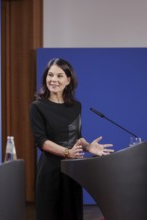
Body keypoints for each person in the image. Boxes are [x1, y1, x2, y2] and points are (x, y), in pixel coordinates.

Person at [29, 58, 114, 220]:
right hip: (50, 172)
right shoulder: (37, 107)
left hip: (72, 171)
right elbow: (42, 141)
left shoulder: (76, 106)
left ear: (68, 80)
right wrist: (67, 152)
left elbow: (76, 137)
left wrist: (89, 147)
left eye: (59, 76)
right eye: (50, 75)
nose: (53, 80)